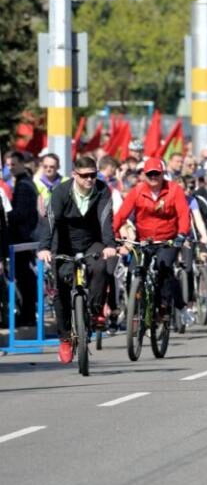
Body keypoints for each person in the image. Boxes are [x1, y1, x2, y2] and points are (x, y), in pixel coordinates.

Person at [36, 156, 118, 364]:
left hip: (92, 241)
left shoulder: (102, 190)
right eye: (84, 176)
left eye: (93, 175)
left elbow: (105, 219)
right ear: (74, 175)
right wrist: (44, 248)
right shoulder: (61, 192)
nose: (89, 179)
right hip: (64, 244)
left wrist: (109, 244)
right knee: (61, 290)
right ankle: (65, 338)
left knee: (101, 266)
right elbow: (50, 220)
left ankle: (95, 310)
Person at [113, 157, 193, 326]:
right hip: (144, 239)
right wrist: (112, 235)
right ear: (144, 175)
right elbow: (121, 214)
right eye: (150, 174)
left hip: (168, 239)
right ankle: (136, 308)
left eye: (157, 174)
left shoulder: (174, 190)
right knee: (133, 271)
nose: (154, 177)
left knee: (164, 268)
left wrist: (181, 234)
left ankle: (164, 306)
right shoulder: (137, 191)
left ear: (162, 174)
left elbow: (184, 214)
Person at [6, 151, 42, 328]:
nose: (10, 168)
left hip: (22, 238)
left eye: (13, 164)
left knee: (24, 277)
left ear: (21, 164)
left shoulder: (23, 185)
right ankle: (27, 313)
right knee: (24, 276)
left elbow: (21, 213)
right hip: (24, 237)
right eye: (8, 165)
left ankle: (28, 314)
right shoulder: (25, 182)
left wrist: (6, 217)